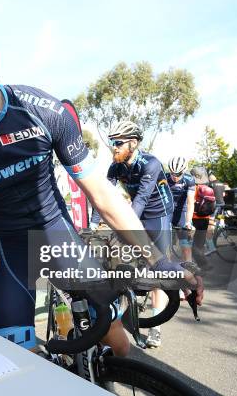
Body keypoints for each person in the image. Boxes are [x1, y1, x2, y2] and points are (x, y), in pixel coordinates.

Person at [0, 0, 202, 370]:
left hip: (56, 236)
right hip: (3, 253)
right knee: (17, 366)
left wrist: (156, 259)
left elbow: (101, 194)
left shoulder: (44, 111)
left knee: (116, 339)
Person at [90, 121, 174, 348]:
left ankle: (155, 327)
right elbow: (102, 199)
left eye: (118, 143)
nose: (113, 147)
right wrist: (93, 225)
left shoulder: (151, 163)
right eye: (111, 143)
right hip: (136, 215)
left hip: (158, 216)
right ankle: (113, 322)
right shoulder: (115, 167)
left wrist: (121, 227)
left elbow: (141, 200)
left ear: (133, 143)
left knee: (158, 271)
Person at [166, 156, 196, 262]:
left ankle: (188, 268)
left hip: (182, 213)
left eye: (178, 174)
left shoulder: (189, 180)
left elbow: (190, 203)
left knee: (186, 248)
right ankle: (167, 270)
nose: (174, 177)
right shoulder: (164, 178)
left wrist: (188, 222)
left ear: (183, 171)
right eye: (172, 173)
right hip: (167, 212)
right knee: (165, 247)